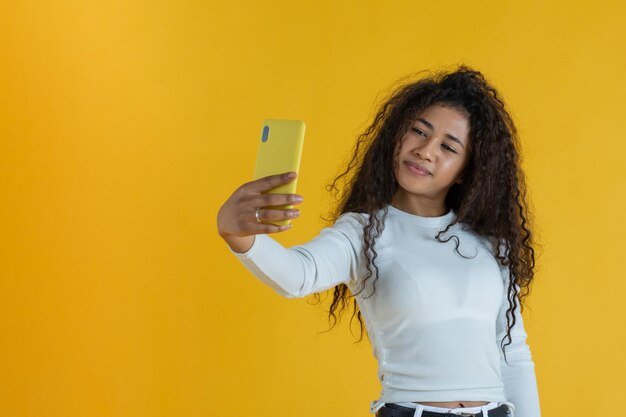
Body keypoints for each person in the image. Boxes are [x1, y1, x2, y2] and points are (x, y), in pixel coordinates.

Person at [217, 65, 541, 417]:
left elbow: (512, 351)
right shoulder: (364, 232)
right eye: (419, 131)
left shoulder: (491, 244)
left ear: (466, 169)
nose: (425, 150)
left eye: (448, 146)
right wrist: (239, 235)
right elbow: (299, 274)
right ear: (397, 135)